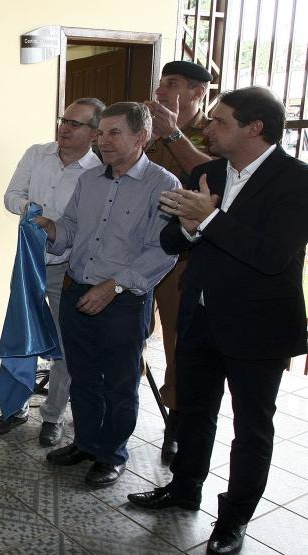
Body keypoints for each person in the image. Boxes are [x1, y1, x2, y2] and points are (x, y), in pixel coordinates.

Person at [129, 86, 308, 555]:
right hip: (200, 315)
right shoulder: (207, 173)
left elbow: (271, 256)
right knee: (193, 410)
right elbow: (172, 241)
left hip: (259, 325)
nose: (206, 128)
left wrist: (207, 220)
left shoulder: (297, 181)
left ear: (255, 128)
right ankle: (184, 488)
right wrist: (187, 227)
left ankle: (233, 520)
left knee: (252, 428)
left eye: (219, 120)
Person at [35, 102, 177, 487]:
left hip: (123, 300)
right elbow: (71, 229)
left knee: (118, 381)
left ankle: (111, 454)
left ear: (141, 137)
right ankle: (86, 442)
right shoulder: (91, 180)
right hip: (77, 292)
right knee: (82, 376)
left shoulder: (163, 185)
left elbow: (163, 250)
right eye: (101, 133)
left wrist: (113, 286)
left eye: (114, 133)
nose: (103, 141)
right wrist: (50, 227)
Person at [0, 97, 104, 445]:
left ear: (94, 133)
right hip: (29, 261)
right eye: (64, 120)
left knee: (64, 346)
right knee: (21, 333)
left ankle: (53, 416)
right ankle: (15, 408)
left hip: (68, 270)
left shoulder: (97, 172)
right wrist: (28, 208)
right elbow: (11, 195)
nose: (65, 127)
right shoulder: (36, 154)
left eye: (75, 124)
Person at [143, 60, 215, 463]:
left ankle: (176, 423)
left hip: (180, 258)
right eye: (161, 84)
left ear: (197, 93)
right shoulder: (150, 134)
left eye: (171, 85)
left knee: (177, 343)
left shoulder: (209, 135)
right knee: (123, 332)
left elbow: (212, 177)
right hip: (139, 250)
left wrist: (171, 133)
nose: (161, 91)